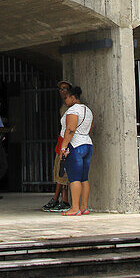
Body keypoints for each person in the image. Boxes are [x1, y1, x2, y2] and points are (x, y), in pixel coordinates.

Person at [59, 86, 93, 216]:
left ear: (73, 97)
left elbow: (70, 129)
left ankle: (75, 208)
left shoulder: (73, 110)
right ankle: (84, 207)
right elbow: (89, 129)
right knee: (84, 178)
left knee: (74, 178)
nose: (65, 100)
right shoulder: (88, 110)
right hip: (87, 144)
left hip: (75, 145)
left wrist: (64, 146)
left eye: (67, 97)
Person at [42, 79, 71, 212]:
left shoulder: (73, 108)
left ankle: (59, 199)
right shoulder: (63, 107)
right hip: (61, 141)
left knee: (62, 172)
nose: (62, 91)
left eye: (64, 89)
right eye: (60, 89)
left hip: (67, 142)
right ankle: (59, 198)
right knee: (59, 171)